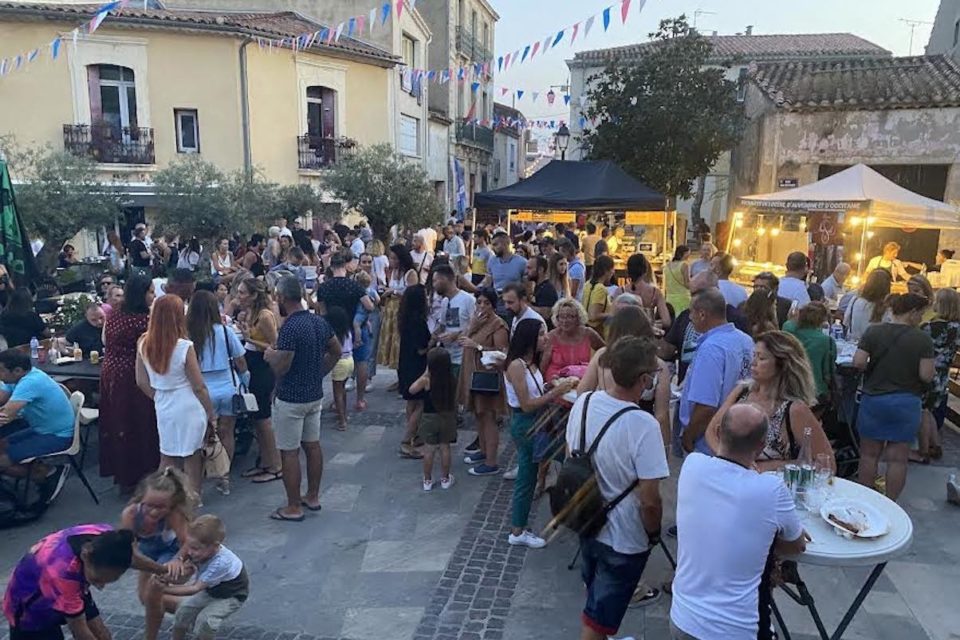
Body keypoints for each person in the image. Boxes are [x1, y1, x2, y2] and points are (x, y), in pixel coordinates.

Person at [670, 404, 808, 640]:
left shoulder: (692, 466)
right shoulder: (771, 490)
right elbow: (797, 546)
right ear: (762, 446)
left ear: (719, 433)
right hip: (736, 630)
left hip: (683, 619)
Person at [565, 337, 668, 640]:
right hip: (623, 536)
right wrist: (652, 533)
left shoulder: (583, 403)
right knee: (597, 623)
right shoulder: (644, 425)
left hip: (586, 518)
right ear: (644, 379)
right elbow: (650, 501)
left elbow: (572, 452)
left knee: (595, 596)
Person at [3, 525, 166, 640]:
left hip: (74, 581)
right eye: (97, 580)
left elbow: (133, 558)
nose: (101, 587)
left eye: (109, 581)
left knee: (103, 635)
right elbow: (81, 633)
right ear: (86, 557)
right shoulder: (63, 576)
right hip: (30, 609)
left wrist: (163, 570)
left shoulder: (109, 539)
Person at [265, 276, 341, 521]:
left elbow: (283, 366)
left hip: (291, 398)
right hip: (313, 394)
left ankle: (293, 506)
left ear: (282, 298)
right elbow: (336, 350)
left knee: (289, 451)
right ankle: (313, 495)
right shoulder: (318, 322)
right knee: (313, 445)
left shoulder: (289, 328)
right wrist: (319, 372)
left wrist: (270, 356)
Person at [705, 331, 834, 471]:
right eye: (754, 356)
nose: (753, 363)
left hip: (772, 487)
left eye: (761, 358)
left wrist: (769, 467)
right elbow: (711, 431)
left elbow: (826, 463)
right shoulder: (742, 391)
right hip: (733, 478)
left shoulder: (794, 409)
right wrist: (728, 460)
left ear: (781, 364)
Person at [853, 293, 935, 500]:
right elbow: (926, 375)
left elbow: (858, 362)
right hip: (906, 403)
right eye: (921, 314)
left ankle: (866, 501)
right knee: (897, 460)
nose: (922, 318)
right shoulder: (922, 339)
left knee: (869, 455)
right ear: (913, 312)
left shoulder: (874, 332)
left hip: (874, 400)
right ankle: (891, 505)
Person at [506, 320, 577, 547]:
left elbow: (533, 391)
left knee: (536, 470)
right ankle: (518, 530)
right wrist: (555, 391)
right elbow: (526, 404)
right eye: (541, 335)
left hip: (538, 422)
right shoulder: (516, 365)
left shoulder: (530, 363)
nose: (546, 339)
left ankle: (521, 527)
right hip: (527, 423)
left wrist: (549, 387)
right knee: (529, 474)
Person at [136, 295, 215, 496]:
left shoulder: (143, 342)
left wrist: (158, 397)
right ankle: (192, 501)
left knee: (167, 455)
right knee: (192, 457)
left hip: (163, 401)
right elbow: (199, 386)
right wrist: (209, 411)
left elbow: (141, 381)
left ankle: (158, 497)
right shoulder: (184, 346)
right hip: (187, 401)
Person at [120, 467, 194, 640]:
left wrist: (178, 560)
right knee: (144, 598)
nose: (154, 511)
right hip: (146, 556)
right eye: (150, 506)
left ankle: (150, 637)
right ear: (141, 499)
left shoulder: (174, 514)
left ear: (171, 505)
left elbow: (187, 542)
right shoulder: (131, 513)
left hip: (170, 554)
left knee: (153, 594)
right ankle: (192, 609)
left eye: (161, 507)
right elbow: (125, 545)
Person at [186, 290, 247, 494]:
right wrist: (245, 378)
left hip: (202, 389)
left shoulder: (189, 335)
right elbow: (240, 360)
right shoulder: (225, 331)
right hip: (228, 386)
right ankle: (224, 477)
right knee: (227, 432)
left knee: (203, 437)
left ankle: (198, 485)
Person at [679, 288, 754, 454]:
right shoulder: (746, 340)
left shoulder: (712, 348)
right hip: (741, 432)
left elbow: (706, 405)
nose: (690, 318)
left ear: (702, 314)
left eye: (691, 312)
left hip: (709, 440)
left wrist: (689, 436)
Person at [165, 515, 248, 640]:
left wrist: (163, 589)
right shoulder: (200, 551)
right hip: (211, 589)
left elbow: (194, 589)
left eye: (195, 548)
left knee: (206, 621)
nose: (190, 552)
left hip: (232, 595)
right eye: (189, 546)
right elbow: (184, 576)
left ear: (215, 546)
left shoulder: (220, 563)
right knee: (183, 611)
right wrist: (174, 568)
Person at [234, 278, 282, 485]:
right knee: (256, 418)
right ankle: (264, 461)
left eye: (243, 292)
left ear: (254, 295)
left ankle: (276, 465)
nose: (239, 297)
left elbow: (274, 345)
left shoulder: (264, 315)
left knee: (263, 419)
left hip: (262, 368)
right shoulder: (251, 313)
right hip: (252, 365)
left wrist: (249, 338)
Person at [458, 288, 509, 476]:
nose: (482, 306)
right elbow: (464, 339)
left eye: (486, 303)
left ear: (493, 305)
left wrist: (478, 346)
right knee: (479, 415)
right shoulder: (477, 321)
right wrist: (472, 327)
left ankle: (491, 461)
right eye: (479, 302)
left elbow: (501, 352)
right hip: (473, 375)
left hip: (487, 378)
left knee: (488, 417)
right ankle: (484, 450)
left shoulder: (498, 325)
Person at [0, 349, 74, 475]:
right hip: (42, 429)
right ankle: (41, 469)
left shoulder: (31, 382)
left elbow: (5, 415)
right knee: (2, 444)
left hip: (58, 436)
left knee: (2, 461)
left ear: (17, 370)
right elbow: (1, 399)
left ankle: (48, 474)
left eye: (1, 370)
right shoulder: (16, 378)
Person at [918, 288, 960, 462]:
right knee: (929, 410)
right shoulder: (956, 328)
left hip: (927, 371)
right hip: (943, 375)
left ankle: (924, 449)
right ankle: (936, 445)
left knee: (923, 412)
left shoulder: (929, 327)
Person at [408, 348, 458, 491]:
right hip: (447, 416)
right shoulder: (452, 378)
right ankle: (445, 478)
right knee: (445, 447)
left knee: (429, 449)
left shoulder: (427, 380)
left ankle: (427, 480)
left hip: (430, 417)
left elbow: (412, 390)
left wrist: (425, 373)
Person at [397, 286, 431, 459]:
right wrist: (434, 341)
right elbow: (421, 349)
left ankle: (414, 436)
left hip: (405, 364)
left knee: (411, 403)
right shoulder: (418, 321)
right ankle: (406, 439)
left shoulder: (404, 318)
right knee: (420, 404)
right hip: (417, 366)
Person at [784, 302, 837, 404]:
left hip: (789, 386)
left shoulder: (788, 329)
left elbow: (789, 322)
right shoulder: (826, 341)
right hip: (815, 391)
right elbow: (828, 373)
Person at [431, 265, 476, 385]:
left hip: (462, 356)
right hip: (447, 355)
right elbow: (443, 325)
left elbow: (475, 325)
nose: (433, 285)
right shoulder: (445, 302)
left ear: (445, 279)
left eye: (435, 281)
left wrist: (456, 335)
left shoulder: (468, 300)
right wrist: (434, 336)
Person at [542, 299, 604, 383]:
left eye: (570, 316)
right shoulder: (552, 336)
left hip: (581, 382)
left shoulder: (588, 333)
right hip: (556, 382)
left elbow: (606, 351)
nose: (565, 321)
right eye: (561, 317)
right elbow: (543, 366)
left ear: (578, 318)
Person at [378, 245, 415, 376]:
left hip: (402, 310)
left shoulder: (410, 273)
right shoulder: (393, 272)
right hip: (391, 310)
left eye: (394, 258)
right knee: (393, 342)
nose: (390, 261)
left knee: (400, 343)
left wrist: (393, 291)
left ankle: (404, 377)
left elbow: (412, 294)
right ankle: (398, 375)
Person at [619, 253, 672, 330]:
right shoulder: (655, 292)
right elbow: (666, 321)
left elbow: (612, 318)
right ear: (645, 271)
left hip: (625, 335)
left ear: (628, 272)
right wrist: (652, 325)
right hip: (646, 336)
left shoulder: (620, 291)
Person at [315, 252, 373, 318]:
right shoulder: (355, 285)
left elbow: (323, 312)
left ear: (331, 268)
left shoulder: (323, 287)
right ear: (345, 266)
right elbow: (369, 307)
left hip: (330, 324)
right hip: (350, 323)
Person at [843, 268, 892, 342]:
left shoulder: (855, 300)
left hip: (853, 346)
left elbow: (846, 322)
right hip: (876, 349)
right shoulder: (887, 307)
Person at [325, 307, 354, 432]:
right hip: (350, 360)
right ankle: (344, 415)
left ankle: (342, 421)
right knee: (342, 389)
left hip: (340, 362)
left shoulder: (334, 334)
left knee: (337, 393)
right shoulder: (347, 332)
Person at [582, 255, 614, 339]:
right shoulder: (601, 289)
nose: (613, 272)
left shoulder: (587, 284)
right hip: (598, 332)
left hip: (586, 328)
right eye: (612, 269)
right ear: (606, 271)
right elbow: (593, 315)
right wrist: (612, 314)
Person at [663, 245, 691, 314]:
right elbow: (687, 284)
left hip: (670, 298)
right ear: (684, 254)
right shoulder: (684, 265)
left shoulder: (667, 265)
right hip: (683, 297)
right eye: (688, 254)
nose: (689, 256)